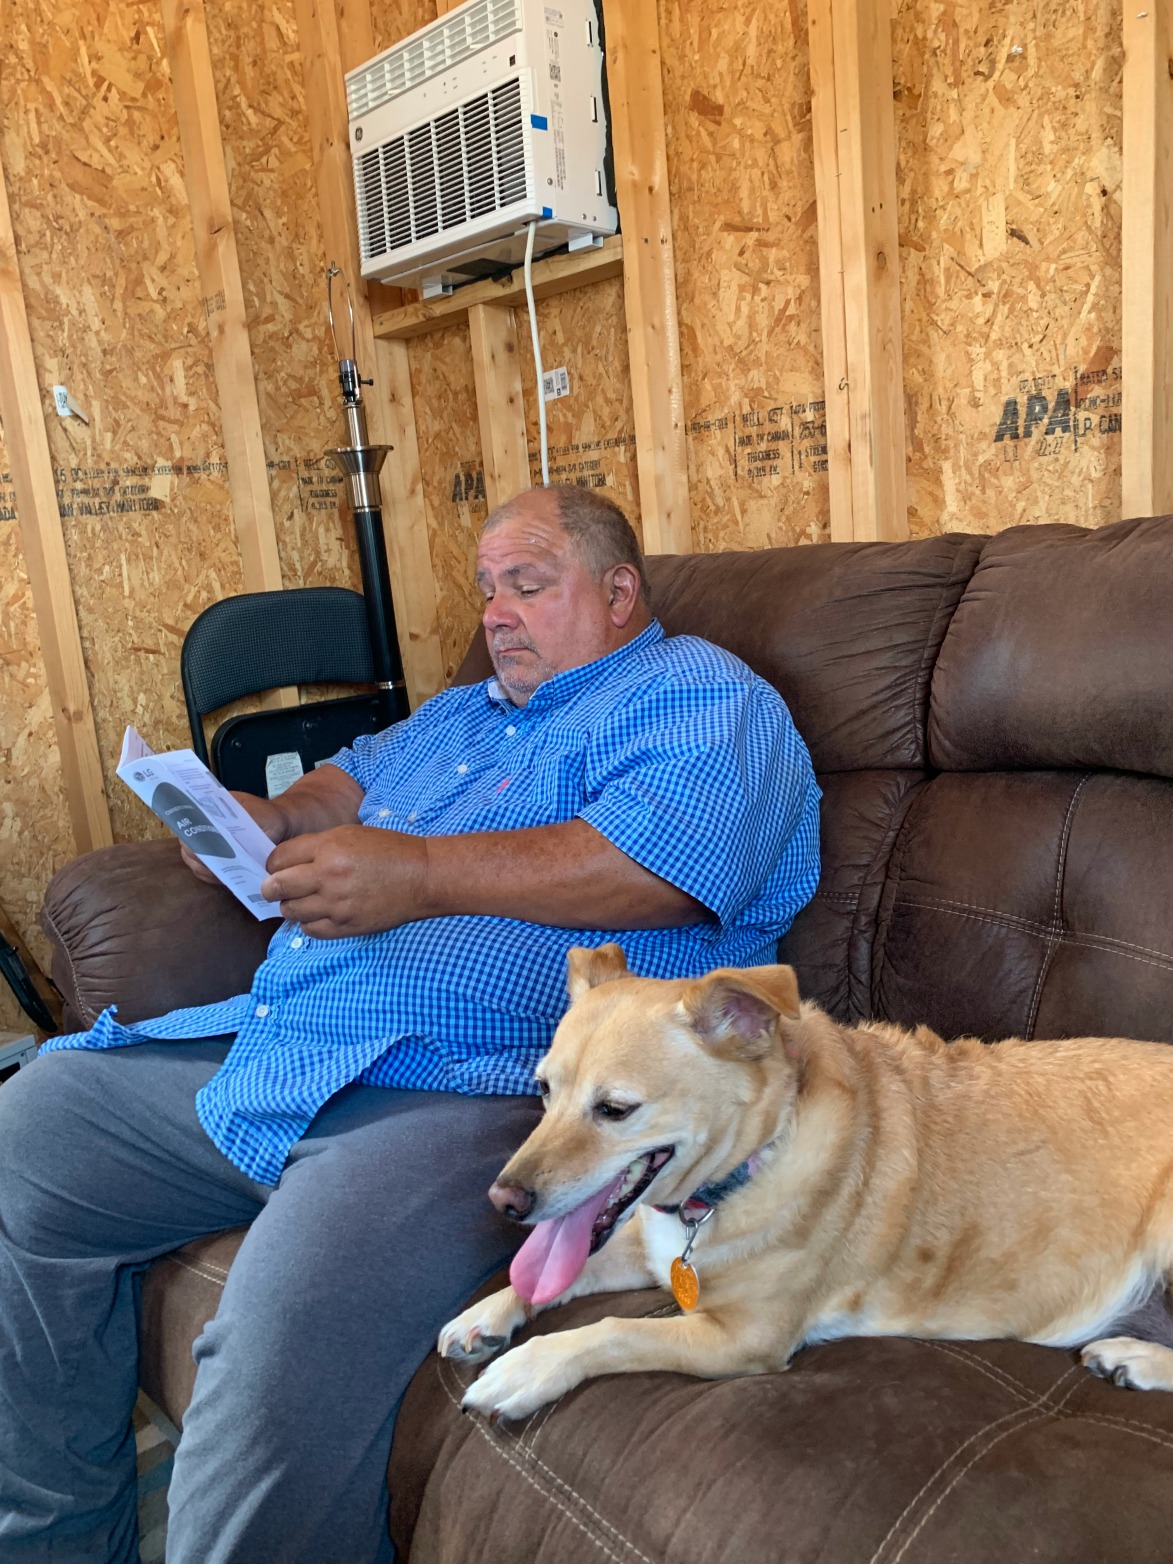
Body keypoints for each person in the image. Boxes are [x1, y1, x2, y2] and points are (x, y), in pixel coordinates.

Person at [0, 484, 820, 1564]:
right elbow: (348, 783)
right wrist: (266, 818)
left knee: (278, 1332)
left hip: (474, 1089)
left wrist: (422, 871)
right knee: (32, 1126)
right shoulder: (464, 712)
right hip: (290, 1044)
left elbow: (663, 869)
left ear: (620, 592)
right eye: (487, 589)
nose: (497, 611)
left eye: (528, 582)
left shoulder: (704, 698)